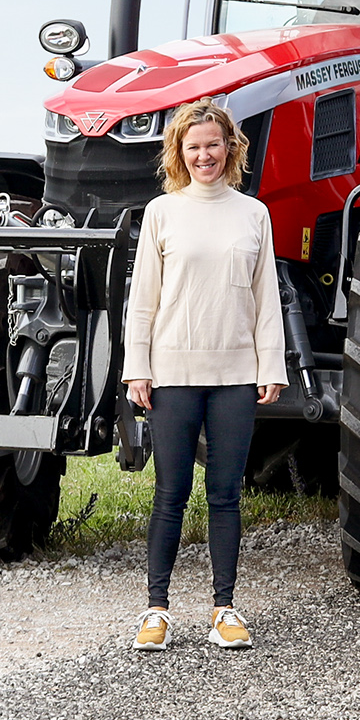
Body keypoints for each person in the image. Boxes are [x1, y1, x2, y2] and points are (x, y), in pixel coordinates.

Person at [120, 98, 285, 652]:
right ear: (179, 153)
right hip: (172, 371)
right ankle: (156, 610)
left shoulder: (252, 213)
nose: (204, 154)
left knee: (225, 494)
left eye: (213, 144)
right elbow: (142, 299)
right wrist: (137, 368)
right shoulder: (162, 212)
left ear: (229, 147)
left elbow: (266, 299)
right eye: (193, 147)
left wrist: (272, 366)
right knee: (171, 492)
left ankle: (224, 608)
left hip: (236, 371)